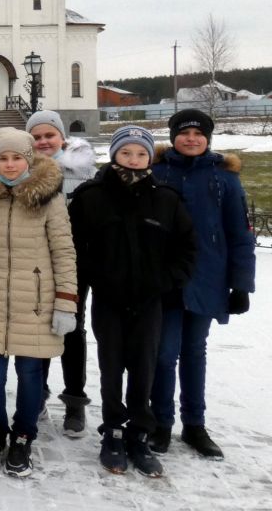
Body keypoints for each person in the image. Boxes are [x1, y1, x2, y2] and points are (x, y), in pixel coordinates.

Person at [69, 126, 196, 477]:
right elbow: (75, 248)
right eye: (126, 153)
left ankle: (139, 432)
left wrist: (167, 281)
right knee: (111, 367)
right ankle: (112, 431)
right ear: (114, 155)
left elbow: (186, 247)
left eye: (140, 153)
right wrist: (91, 280)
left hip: (149, 298)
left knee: (144, 366)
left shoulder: (166, 198)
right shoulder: (91, 196)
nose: (134, 159)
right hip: (109, 297)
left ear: (149, 157)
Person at [0, 128, 77, 479]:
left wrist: (66, 303)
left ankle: (24, 434)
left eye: (16, 157)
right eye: (3, 158)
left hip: (36, 302)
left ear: (29, 159)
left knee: (29, 376)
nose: (9, 165)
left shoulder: (48, 198)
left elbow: (64, 251)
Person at [150, 109, 255, 460]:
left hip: (207, 279)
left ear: (208, 138)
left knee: (194, 353)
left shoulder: (223, 179)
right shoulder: (157, 173)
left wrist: (241, 284)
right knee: (164, 354)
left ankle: (194, 424)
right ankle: (160, 422)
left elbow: (240, 234)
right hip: (164, 280)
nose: (191, 139)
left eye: (198, 133)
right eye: (184, 133)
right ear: (173, 136)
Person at [26, 109, 97, 436]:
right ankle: (37, 393)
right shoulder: (24, 171)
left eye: (49, 136)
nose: (43, 142)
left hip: (75, 261)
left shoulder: (81, 174)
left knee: (72, 328)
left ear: (61, 138)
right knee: (39, 326)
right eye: (37, 137)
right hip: (37, 260)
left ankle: (73, 399)